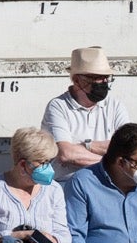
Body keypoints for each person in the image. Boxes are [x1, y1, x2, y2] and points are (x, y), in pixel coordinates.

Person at [45, 46, 131, 183]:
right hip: (68, 184)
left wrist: (86, 146)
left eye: (106, 78)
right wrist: (113, 164)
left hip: (106, 183)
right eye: (97, 77)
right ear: (77, 80)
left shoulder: (115, 106)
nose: (103, 83)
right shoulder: (58, 106)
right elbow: (66, 154)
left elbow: (127, 149)